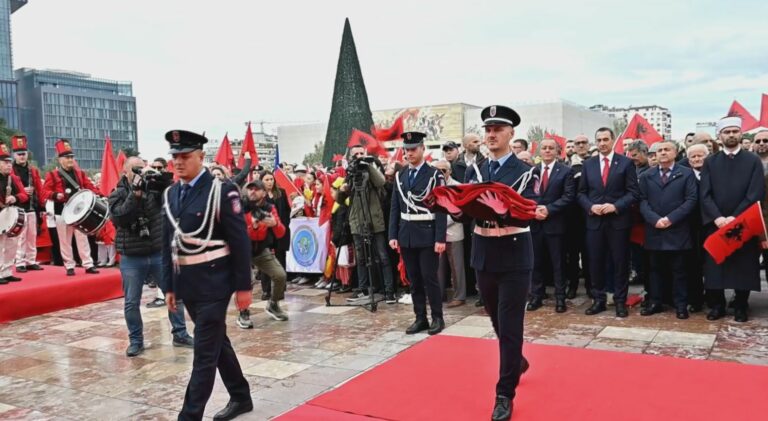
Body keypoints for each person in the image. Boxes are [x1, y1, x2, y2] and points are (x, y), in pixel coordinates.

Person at [160, 130, 253, 420]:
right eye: (175, 156)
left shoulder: (221, 191)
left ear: (201, 156)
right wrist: (169, 286)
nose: (178, 161)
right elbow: (168, 244)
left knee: (203, 354)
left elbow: (240, 241)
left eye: (185, 156)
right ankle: (241, 396)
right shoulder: (171, 194)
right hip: (188, 283)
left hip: (216, 282)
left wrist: (244, 287)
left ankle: (189, 416)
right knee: (216, 343)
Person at [463, 105, 535, 421]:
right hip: (483, 252)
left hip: (514, 253)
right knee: (495, 318)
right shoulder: (475, 171)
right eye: (488, 130)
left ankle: (504, 393)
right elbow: (466, 210)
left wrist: (505, 211)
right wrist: (452, 207)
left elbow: (529, 210)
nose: (491, 135)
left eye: (498, 130)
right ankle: (516, 360)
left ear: (511, 133)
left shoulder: (526, 171)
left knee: (510, 323)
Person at [109, 156, 193, 356]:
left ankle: (180, 334)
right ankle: (136, 340)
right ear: (125, 172)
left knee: (174, 294)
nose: (140, 173)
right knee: (131, 301)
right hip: (132, 256)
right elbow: (120, 218)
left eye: (142, 168)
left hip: (157, 252)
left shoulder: (154, 190)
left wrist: (162, 181)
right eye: (135, 169)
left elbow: (173, 201)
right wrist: (135, 194)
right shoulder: (117, 193)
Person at [699, 117, 765, 322]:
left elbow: (755, 193)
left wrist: (735, 218)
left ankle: (741, 305)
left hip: (743, 223)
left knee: (743, 265)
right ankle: (717, 305)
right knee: (715, 266)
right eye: (726, 132)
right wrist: (718, 217)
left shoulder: (752, 160)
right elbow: (705, 194)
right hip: (716, 223)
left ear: (741, 134)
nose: (731, 135)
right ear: (720, 136)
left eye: (734, 131)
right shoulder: (710, 161)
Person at [577, 127, 639, 318]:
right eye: (599, 140)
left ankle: (620, 301)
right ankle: (599, 300)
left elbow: (633, 193)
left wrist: (616, 206)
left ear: (612, 141)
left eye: (605, 139)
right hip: (594, 222)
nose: (602, 143)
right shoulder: (588, 164)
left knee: (620, 262)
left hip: (618, 222)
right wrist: (590, 207)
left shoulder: (626, 163)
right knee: (595, 262)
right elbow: (581, 193)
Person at [389, 131, 447, 334]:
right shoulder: (401, 175)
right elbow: (395, 207)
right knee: (413, 280)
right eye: (407, 150)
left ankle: (437, 318)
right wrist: (393, 234)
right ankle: (420, 317)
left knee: (429, 279)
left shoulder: (434, 175)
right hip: (407, 234)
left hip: (427, 233)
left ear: (423, 148)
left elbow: (441, 207)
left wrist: (440, 237)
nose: (410, 153)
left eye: (414, 149)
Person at [638, 142, 698, 319]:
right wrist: (654, 219)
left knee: (679, 270)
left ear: (675, 153)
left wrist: (670, 219)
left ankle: (680, 305)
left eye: (667, 150)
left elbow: (691, 200)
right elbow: (642, 201)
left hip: (677, 229)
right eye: (660, 150)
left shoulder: (686, 173)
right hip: (654, 229)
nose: (663, 153)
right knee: (655, 269)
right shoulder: (647, 175)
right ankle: (655, 302)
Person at [339, 145, 396, 303]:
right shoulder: (351, 173)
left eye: (361, 153)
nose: (358, 156)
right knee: (361, 258)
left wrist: (367, 165)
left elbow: (381, 182)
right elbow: (340, 200)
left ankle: (389, 291)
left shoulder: (372, 169)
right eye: (356, 154)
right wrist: (342, 190)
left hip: (374, 220)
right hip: (357, 221)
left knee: (382, 256)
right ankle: (362, 289)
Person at [529, 138, 575, 313]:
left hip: (556, 224)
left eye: (551, 148)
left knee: (558, 264)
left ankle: (560, 298)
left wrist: (548, 209)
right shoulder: (532, 171)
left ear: (557, 151)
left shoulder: (565, 171)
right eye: (544, 148)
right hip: (535, 223)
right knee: (536, 263)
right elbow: (526, 194)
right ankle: (536, 296)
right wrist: (534, 209)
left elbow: (568, 196)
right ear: (539, 151)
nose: (547, 151)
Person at [42, 139, 100, 276]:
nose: (70, 160)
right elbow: (44, 192)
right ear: (60, 160)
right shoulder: (52, 175)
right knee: (65, 240)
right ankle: (69, 265)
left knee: (82, 238)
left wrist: (99, 194)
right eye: (67, 157)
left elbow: (89, 186)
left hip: (79, 211)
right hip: (61, 211)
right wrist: (56, 195)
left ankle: (88, 264)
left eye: (71, 157)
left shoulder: (80, 173)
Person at [238, 180, 289, 329]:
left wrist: (275, 224)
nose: (252, 191)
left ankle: (273, 304)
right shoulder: (240, 206)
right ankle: (243, 312)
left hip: (260, 249)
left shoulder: (269, 208)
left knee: (280, 275)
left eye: (256, 189)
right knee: (246, 280)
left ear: (264, 193)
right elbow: (235, 230)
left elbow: (281, 233)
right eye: (250, 189)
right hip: (241, 250)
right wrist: (252, 226)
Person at [433, 160, 466, 308]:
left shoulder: (457, 186)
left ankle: (460, 296)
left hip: (453, 231)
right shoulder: (432, 184)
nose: (440, 173)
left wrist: (439, 226)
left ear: (450, 171)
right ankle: (438, 295)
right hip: (437, 234)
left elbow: (458, 212)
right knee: (437, 267)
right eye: (437, 170)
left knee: (457, 267)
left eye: (443, 170)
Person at [9, 135, 45, 273]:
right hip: (17, 207)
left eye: (23, 154)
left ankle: (31, 260)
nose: (22, 156)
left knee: (32, 235)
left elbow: (39, 188)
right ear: (14, 155)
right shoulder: (10, 170)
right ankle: (19, 262)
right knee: (21, 236)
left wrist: (41, 205)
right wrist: (22, 190)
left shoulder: (33, 170)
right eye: (19, 154)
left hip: (31, 206)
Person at [0, 143, 28, 284]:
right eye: (5, 162)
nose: (8, 165)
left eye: (9, 162)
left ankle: (7, 272)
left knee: (11, 245)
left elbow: (24, 195)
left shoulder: (14, 179)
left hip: (10, 216)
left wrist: (15, 198)